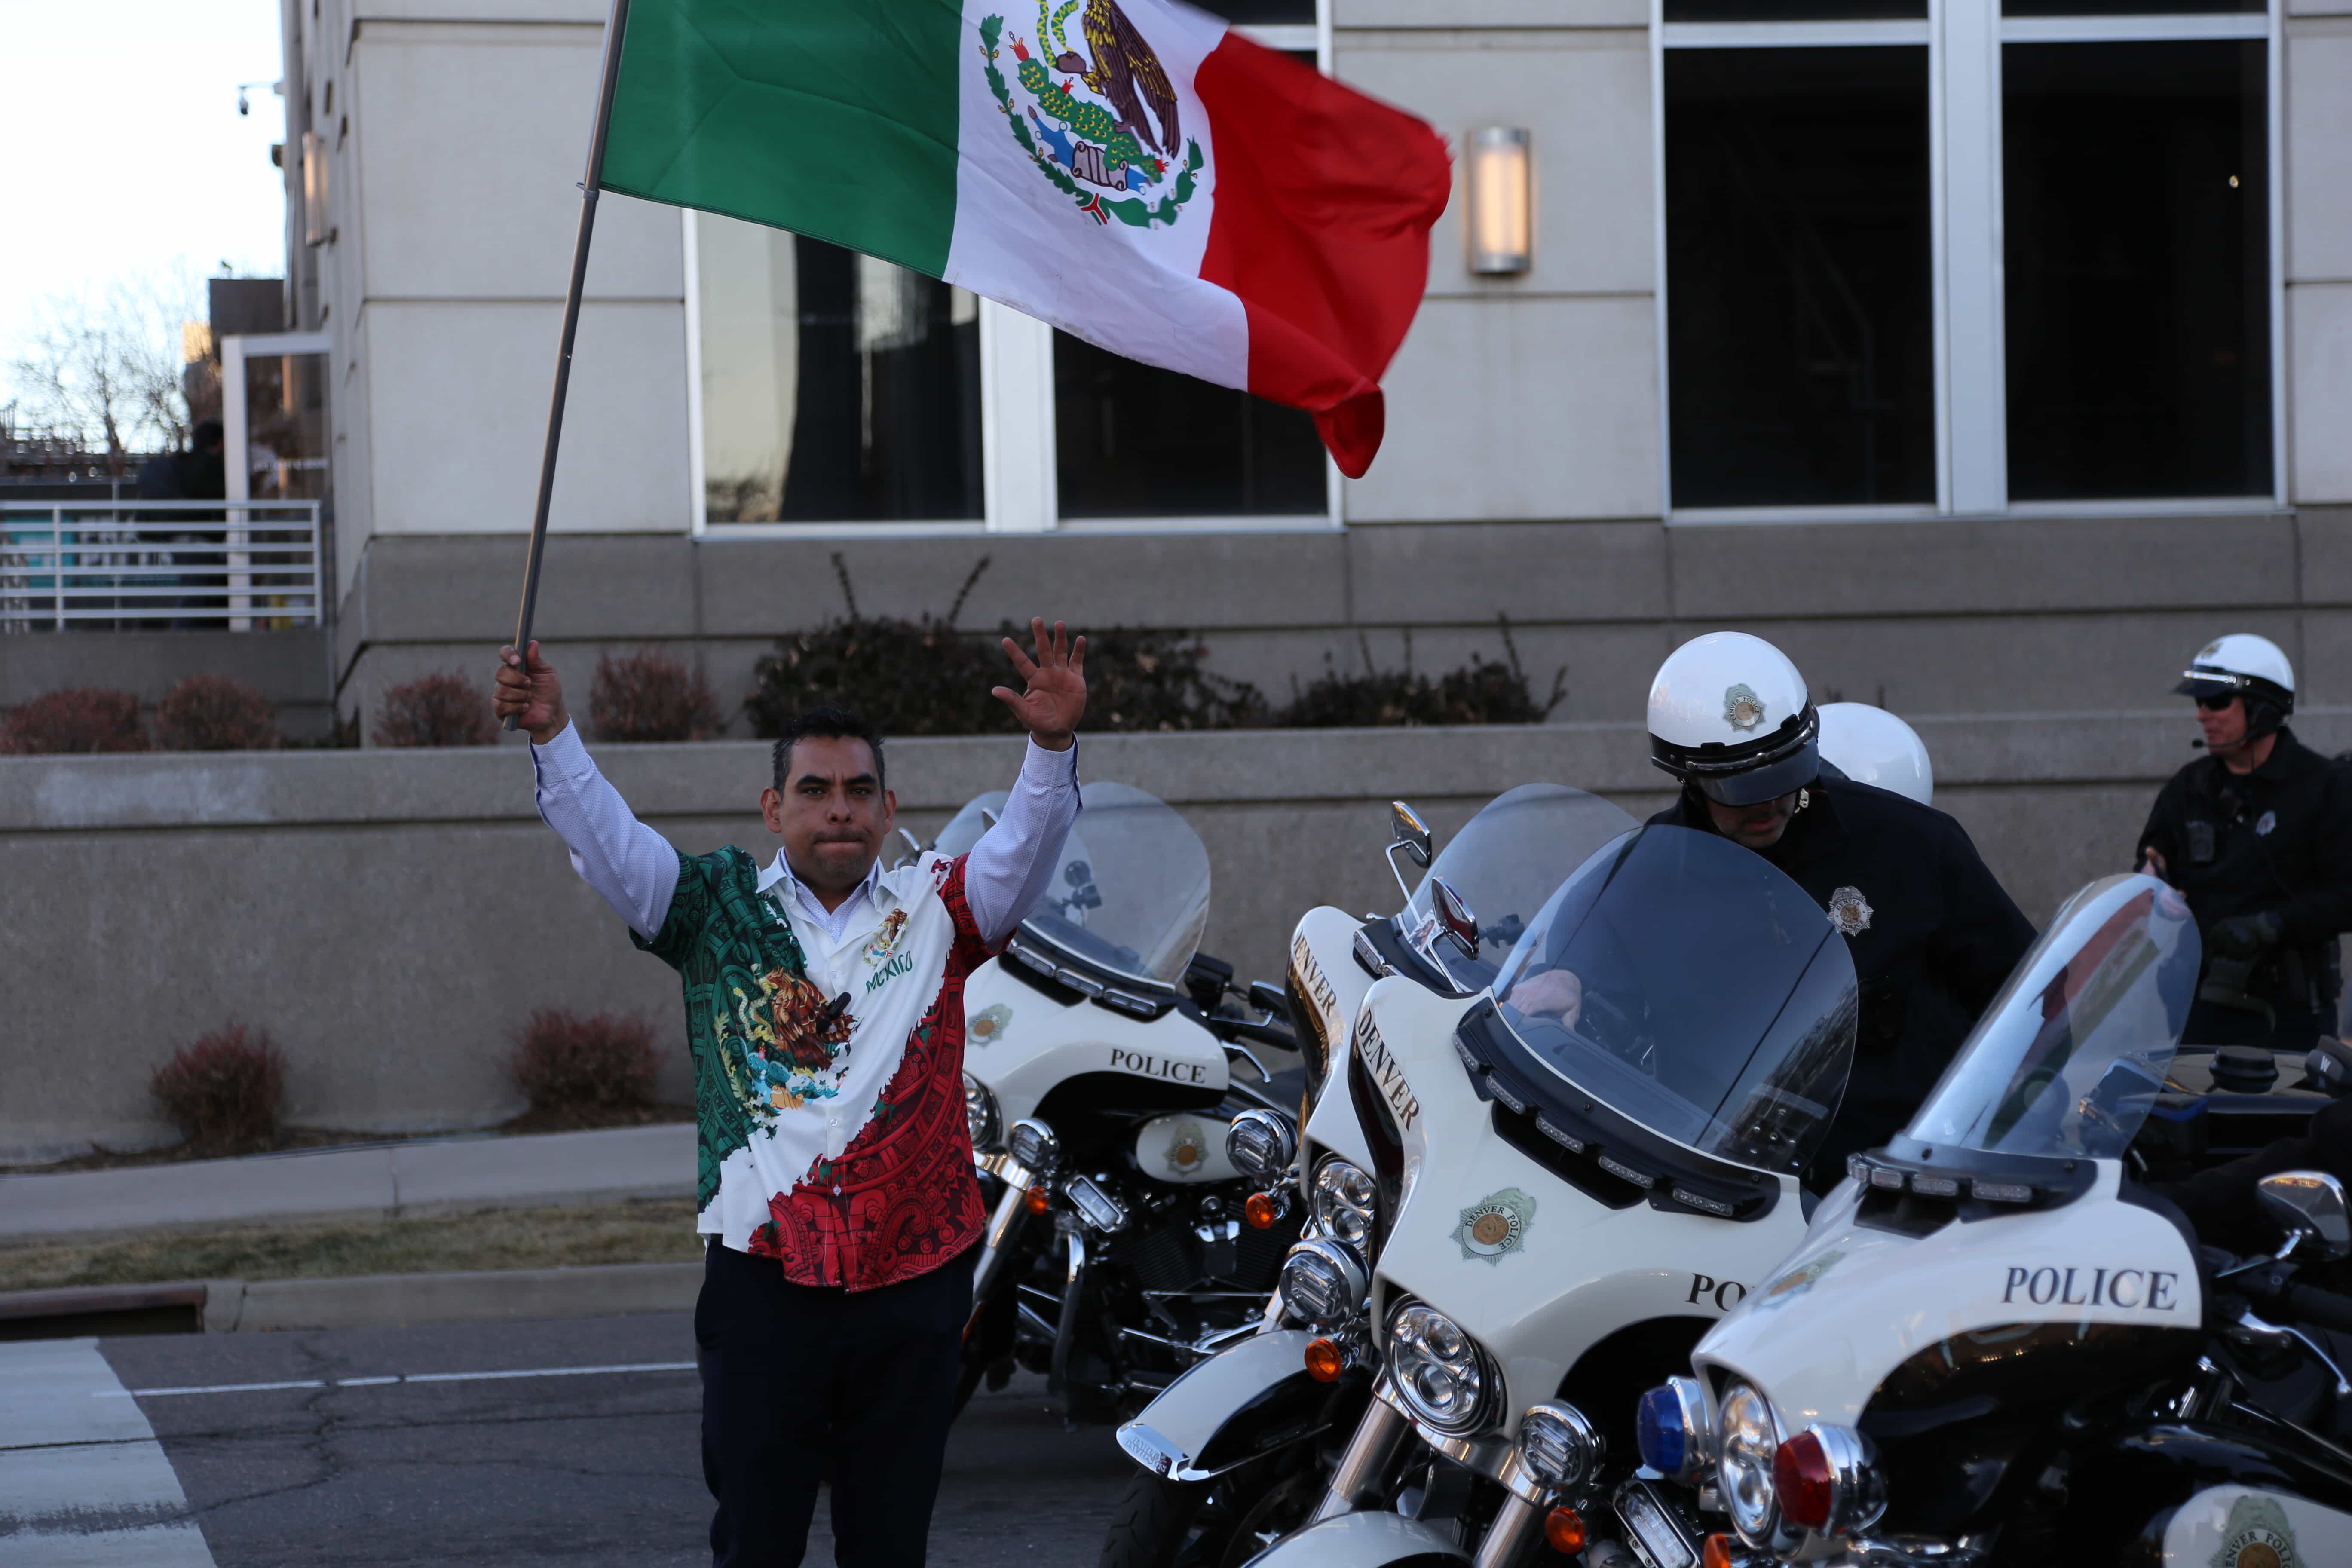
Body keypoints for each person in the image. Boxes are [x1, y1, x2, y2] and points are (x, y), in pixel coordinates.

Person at [493, 622, 1087, 1568]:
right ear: (774, 809)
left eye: (858, 790)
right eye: (814, 790)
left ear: (889, 810)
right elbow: (610, 843)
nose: (838, 809)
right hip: (763, 1293)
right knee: (756, 1544)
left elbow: (1025, 845)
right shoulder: (710, 910)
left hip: (912, 1285)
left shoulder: (941, 908)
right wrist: (553, 733)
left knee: (887, 1548)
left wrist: (1051, 748)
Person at [1640, 632, 2035, 1187]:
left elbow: (2027, 995)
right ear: (1688, 778)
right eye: (1741, 788)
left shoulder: (1910, 843)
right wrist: (1563, 982)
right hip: (1719, 1180)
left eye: (1784, 774)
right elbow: (1591, 980)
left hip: (1894, 1183)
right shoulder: (1653, 869)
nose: (1770, 803)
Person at [2135, 634, 2352, 1054]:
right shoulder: (2189, 787)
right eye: (2199, 702)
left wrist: (2271, 925)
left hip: (2288, 1017)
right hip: (2195, 1008)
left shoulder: (2325, 787)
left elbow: (2347, 895)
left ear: (2261, 709)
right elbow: (2151, 865)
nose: (2202, 715)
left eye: (2216, 702)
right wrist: (2152, 887)